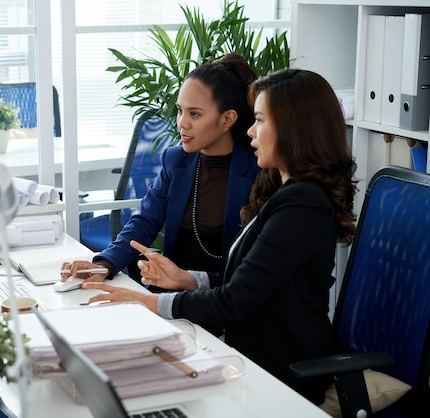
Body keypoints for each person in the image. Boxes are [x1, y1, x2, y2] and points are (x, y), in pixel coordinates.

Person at [81, 68, 358, 405]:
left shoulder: (302, 204)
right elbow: (247, 281)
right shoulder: (286, 191)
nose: (251, 131)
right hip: (245, 349)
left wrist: (148, 303)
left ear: (294, 128)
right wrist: (187, 278)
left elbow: (234, 300)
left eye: (260, 121)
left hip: (279, 372)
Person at [64, 54, 261, 288]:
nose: (182, 123)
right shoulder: (176, 159)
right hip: (168, 293)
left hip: (223, 299)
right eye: (180, 111)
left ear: (227, 119)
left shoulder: (259, 170)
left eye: (194, 114)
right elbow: (144, 222)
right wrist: (104, 263)